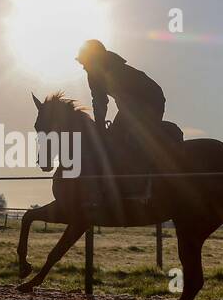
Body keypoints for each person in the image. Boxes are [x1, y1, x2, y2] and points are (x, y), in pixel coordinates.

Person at [75, 39, 175, 199]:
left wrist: (101, 128)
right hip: (132, 105)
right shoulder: (98, 71)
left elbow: (102, 102)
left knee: (127, 139)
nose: (83, 66)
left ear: (94, 58)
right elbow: (99, 101)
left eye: (84, 62)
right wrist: (101, 127)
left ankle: (140, 183)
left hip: (149, 101)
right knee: (114, 138)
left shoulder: (110, 70)